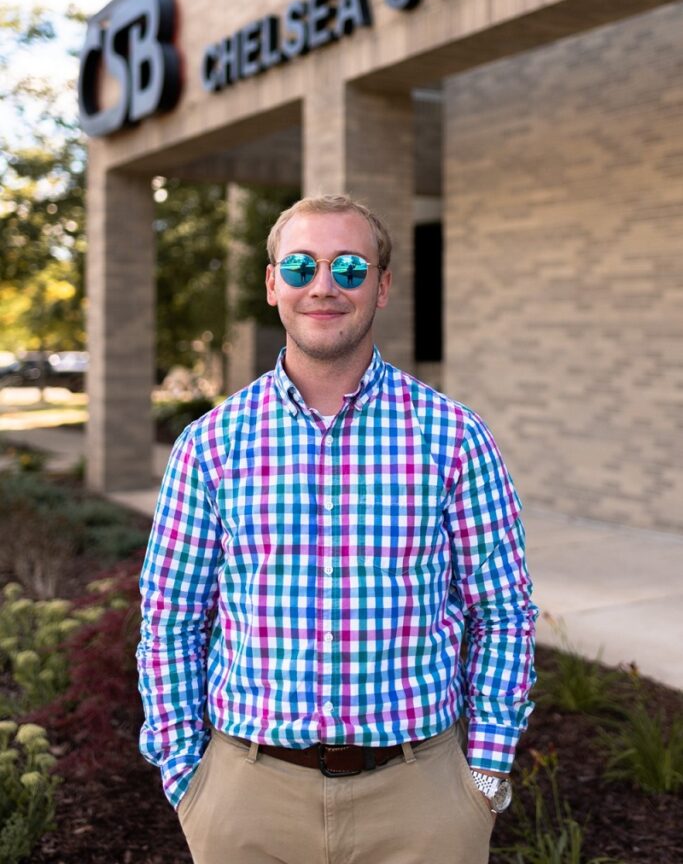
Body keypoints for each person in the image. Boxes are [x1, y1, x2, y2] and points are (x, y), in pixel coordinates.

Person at [137, 194, 537, 864]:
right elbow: (170, 617)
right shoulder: (210, 445)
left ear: (381, 286)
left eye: (349, 268)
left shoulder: (452, 437)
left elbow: (501, 610)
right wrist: (188, 777)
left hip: (422, 803)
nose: (323, 285)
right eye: (300, 267)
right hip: (245, 801)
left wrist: (484, 772)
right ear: (272, 284)